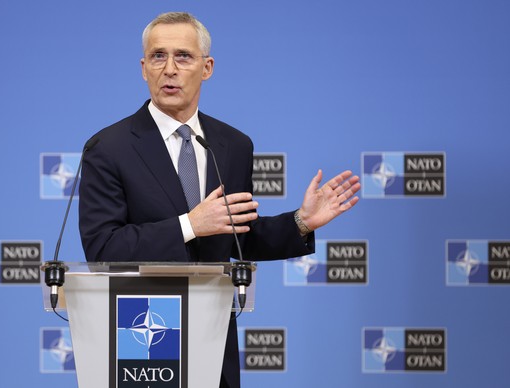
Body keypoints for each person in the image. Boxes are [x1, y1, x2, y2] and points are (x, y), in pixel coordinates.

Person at [79, 11, 360, 388]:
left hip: (213, 331)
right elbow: (102, 247)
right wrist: (189, 225)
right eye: (158, 56)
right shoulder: (108, 147)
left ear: (206, 67)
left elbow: (239, 235)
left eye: (183, 56)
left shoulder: (233, 145)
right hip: (142, 332)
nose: (170, 69)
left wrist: (300, 222)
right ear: (143, 68)